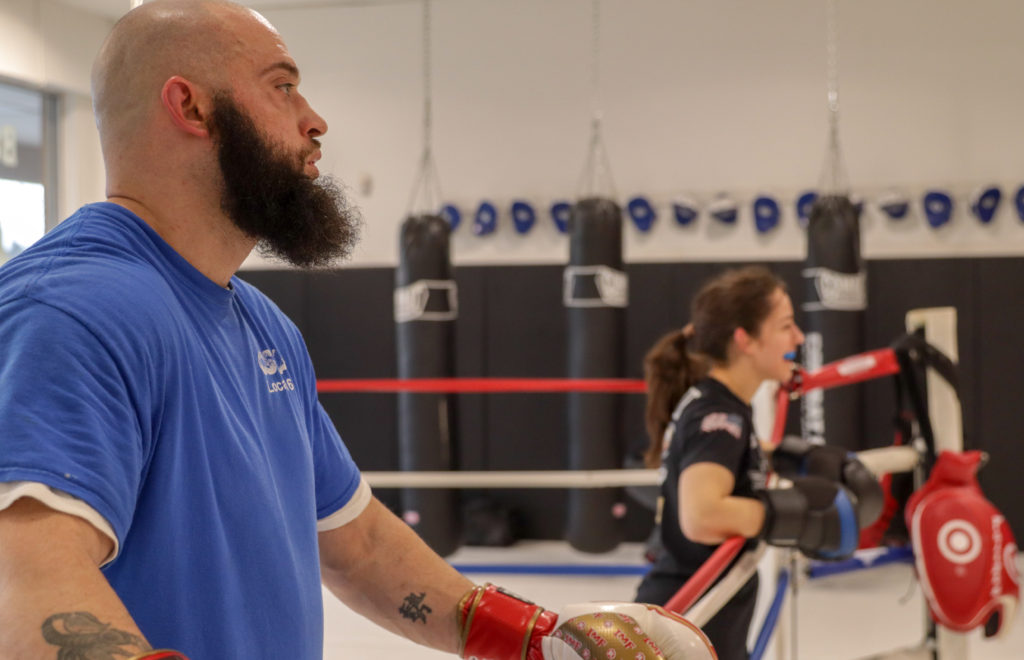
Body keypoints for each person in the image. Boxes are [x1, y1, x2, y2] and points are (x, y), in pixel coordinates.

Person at [0, 2, 716, 659]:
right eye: (283, 87)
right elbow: (23, 575)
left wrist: (534, 640)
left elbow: (360, 545)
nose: (315, 120)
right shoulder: (74, 310)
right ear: (191, 106)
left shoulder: (262, 325)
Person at [634, 266, 880, 660]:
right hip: (690, 621)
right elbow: (702, 516)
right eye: (785, 326)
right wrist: (794, 516)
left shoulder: (720, 406)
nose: (798, 337)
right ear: (744, 340)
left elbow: (731, 455)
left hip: (697, 619)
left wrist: (791, 457)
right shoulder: (719, 419)